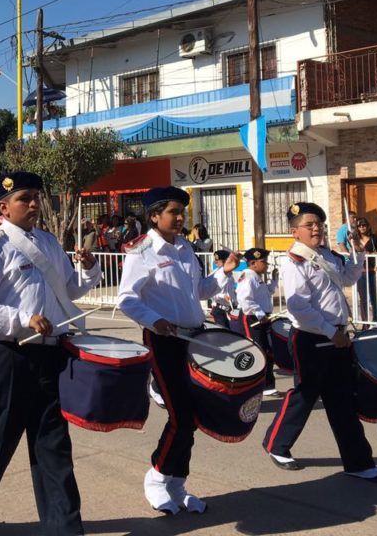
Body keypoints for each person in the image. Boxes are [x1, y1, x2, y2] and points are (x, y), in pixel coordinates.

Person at [0, 171, 101, 536]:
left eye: (36, 196)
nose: (34, 204)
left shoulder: (49, 242)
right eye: (25, 198)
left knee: (53, 443)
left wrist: (87, 267)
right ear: (4, 207)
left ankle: (63, 527)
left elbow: (70, 289)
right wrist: (21, 319)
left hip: (50, 354)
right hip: (8, 353)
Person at [118, 187, 243, 514]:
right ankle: (157, 476)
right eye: (173, 211)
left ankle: (176, 482)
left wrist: (224, 273)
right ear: (154, 216)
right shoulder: (141, 251)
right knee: (180, 414)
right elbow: (127, 298)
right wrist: (155, 320)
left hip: (194, 338)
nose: (180, 218)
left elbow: (198, 290)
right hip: (164, 341)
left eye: (182, 212)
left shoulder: (185, 247)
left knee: (193, 416)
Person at [261, 202, 377, 482]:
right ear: (295, 232)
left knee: (342, 400)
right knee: (305, 395)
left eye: (319, 223)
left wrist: (358, 253)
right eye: (309, 225)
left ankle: (358, 463)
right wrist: (331, 333)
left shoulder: (327, 255)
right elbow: (299, 308)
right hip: (312, 338)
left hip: (337, 336)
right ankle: (276, 444)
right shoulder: (295, 262)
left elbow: (347, 277)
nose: (316, 228)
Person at [234, 248, 279, 396]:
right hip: (252, 318)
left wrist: (274, 280)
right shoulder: (248, 276)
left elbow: (266, 293)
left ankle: (267, 385)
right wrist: (260, 314)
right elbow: (245, 299)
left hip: (262, 317)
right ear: (253, 263)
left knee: (267, 351)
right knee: (256, 352)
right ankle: (252, 387)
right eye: (263, 261)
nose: (266, 264)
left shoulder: (256, 276)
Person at [354, 218, 377, 321]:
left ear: (368, 226)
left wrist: (372, 254)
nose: (362, 227)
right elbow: (352, 253)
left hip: (373, 270)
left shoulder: (374, 238)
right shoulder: (355, 240)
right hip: (361, 272)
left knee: (374, 297)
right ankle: (365, 322)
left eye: (364, 225)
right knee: (363, 299)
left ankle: (376, 320)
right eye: (359, 226)